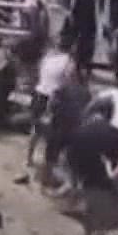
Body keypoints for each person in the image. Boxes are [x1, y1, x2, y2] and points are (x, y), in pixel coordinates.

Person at [67, 105, 118, 235]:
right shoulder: (116, 133)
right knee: (109, 208)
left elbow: (71, 155)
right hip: (108, 176)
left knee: (88, 209)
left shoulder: (81, 130)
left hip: (87, 173)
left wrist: (74, 182)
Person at [28, 38, 75, 166]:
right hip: (55, 99)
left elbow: (39, 73)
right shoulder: (69, 62)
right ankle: (48, 165)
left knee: (36, 129)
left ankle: (28, 158)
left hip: (39, 93)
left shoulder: (47, 57)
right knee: (54, 133)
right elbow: (69, 82)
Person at [62, 0, 107, 78]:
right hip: (84, 13)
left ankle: (79, 64)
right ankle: (82, 65)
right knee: (86, 40)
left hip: (82, 13)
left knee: (82, 39)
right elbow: (102, 2)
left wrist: (67, 7)